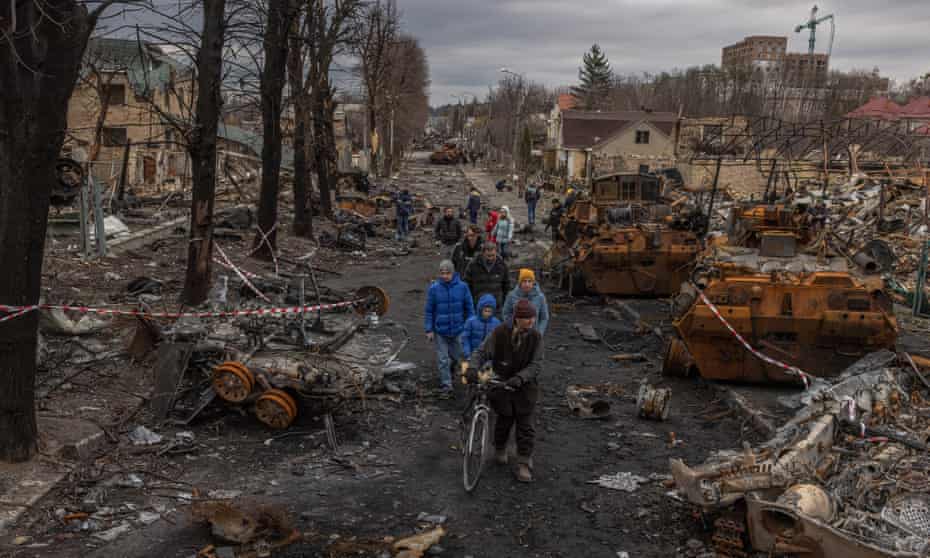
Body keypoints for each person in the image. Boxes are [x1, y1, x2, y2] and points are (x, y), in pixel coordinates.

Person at [464, 298, 543, 483]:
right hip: (501, 384)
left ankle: (523, 462)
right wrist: (472, 368)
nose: (531, 321)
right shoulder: (499, 333)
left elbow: (536, 364)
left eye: (533, 317)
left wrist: (521, 377)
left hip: (525, 388)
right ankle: (499, 448)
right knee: (503, 421)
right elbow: (481, 352)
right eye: (526, 318)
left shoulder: (536, 337)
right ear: (517, 318)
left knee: (526, 427)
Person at [424, 260, 475, 397]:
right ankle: (446, 385)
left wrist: (470, 326)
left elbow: (469, 308)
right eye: (442, 273)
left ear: (453, 273)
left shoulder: (463, 287)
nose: (445, 276)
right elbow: (429, 310)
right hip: (440, 330)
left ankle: (461, 376)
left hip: (458, 329)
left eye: (448, 273)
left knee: (459, 357)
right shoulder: (434, 289)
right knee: (443, 359)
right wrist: (429, 329)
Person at [502, 268, 550, 336]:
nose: (527, 284)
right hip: (516, 334)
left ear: (533, 283)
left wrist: (539, 333)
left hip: (533, 334)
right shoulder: (511, 296)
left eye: (529, 281)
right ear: (520, 282)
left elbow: (544, 317)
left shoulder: (540, 297)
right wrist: (512, 328)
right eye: (524, 281)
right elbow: (506, 313)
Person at [463, 241, 510, 309]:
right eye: (488, 256)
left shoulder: (502, 266)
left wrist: (505, 303)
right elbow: (466, 284)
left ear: (496, 253)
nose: (490, 258)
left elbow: (506, 286)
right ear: (483, 253)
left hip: (496, 307)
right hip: (477, 305)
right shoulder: (473, 265)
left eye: (493, 255)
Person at [461, 294, 502, 360]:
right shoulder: (471, 322)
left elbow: (499, 341)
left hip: (489, 357)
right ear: (480, 309)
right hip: (473, 355)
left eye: (490, 311)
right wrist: (467, 354)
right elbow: (465, 339)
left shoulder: (497, 323)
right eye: (485, 311)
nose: (487, 314)